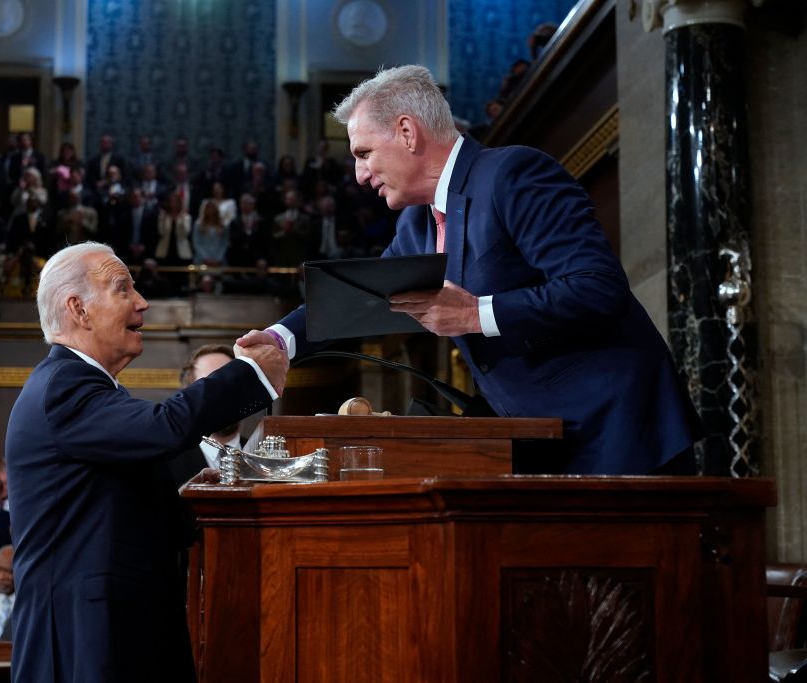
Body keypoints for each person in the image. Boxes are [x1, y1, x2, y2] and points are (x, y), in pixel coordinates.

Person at [236, 64, 703, 475]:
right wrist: (280, 340)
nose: (359, 175)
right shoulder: (416, 224)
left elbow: (598, 289)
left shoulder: (513, 175)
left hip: (622, 436)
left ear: (406, 131)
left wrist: (476, 314)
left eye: (362, 153)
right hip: (547, 444)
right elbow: (357, 298)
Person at [5, 241, 289, 682]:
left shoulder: (90, 390)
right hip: (82, 642)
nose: (142, 303)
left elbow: (114, 515)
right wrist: (248, 373)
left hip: (121, 634)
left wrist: (196, 502)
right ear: (77, 309)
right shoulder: (63, 386)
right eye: (123, 290)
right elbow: (165, 425)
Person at [168, 344, 245, 487]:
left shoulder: (265, 459)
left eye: (232, 381)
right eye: (211, 384)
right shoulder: (165, 463)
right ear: (189, 396)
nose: (224, 392)